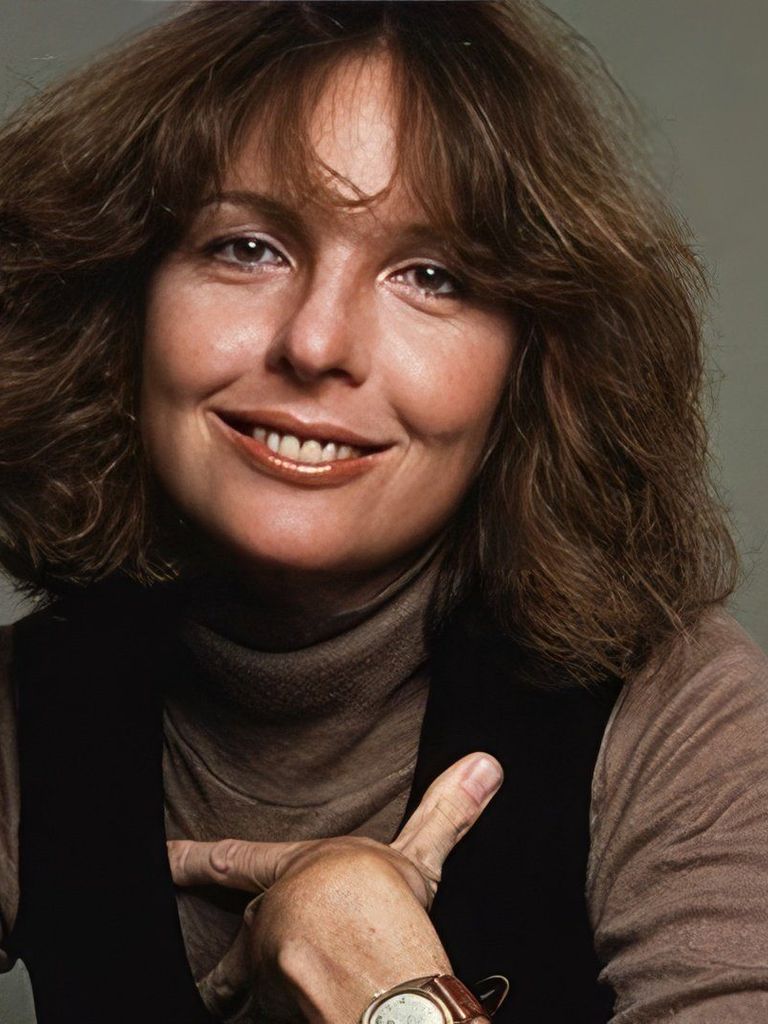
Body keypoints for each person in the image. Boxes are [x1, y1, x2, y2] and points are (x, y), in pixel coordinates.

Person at [0, 2, 767, 1022]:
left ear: (533, 366)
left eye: (430, 276)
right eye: (247, 248)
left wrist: (397, 1001)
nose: (316, 343)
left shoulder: (681, 716)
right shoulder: (23, 713)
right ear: (122, 299)